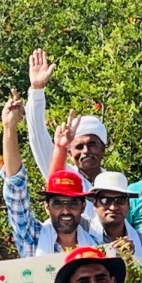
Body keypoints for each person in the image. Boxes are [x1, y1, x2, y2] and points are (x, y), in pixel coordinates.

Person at [0, 92, 98, 257]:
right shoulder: (34, 238)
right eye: (58, 203)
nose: (65, 210)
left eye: (73, 203)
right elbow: (16, 189)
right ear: (47, 207)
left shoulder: (96, 244)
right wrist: (10, 128)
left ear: (83, 207)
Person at [23, 48, 109, 191]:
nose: (86, 151)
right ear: (69, 153)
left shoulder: (113, 183)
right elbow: (37, 135)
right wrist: (37, 89)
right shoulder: (63, 177)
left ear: (103, 148)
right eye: (79, 147)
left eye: (92, 144)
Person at [86, 172, 142, 263]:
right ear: (94, 205)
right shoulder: (82, 231)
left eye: (120, 200)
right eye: (105, 200)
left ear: (128, 205)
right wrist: (108, 252)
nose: (113, 207)